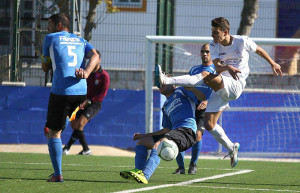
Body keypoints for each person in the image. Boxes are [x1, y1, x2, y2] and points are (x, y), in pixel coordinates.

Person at [155, 17, 282, 168]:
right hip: (222, 85)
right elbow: (218, 66)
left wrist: (273, 63)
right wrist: (228, 67)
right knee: (209, 124)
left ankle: (166, 80)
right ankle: (231, 148)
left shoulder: (242, 41)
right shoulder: (214, 45)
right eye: (212, 32)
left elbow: (259, 50)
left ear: (225, 32)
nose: (213, 35)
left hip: (235, 85)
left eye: (216, 32)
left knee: (205, 76)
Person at [41, 13, 99, 182]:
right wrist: (86, 72)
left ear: (58, 25)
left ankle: (57, 174)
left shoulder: (50, 38)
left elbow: (45, 67)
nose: (47, 28)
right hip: (81, 92)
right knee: (62, 120)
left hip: (61, 91)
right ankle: (60, 123)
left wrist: (49, 61)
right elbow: (95, 55)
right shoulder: (80, 40)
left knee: (53, 132)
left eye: (50, 24)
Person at [120, 84, 200, 184]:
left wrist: (205, 100)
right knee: (142, 142)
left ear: (173, 84)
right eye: (159, 85)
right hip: (174, 133)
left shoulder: (181, 91)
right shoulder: (165, 106)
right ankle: (138, 171)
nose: (160, 86)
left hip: (187, 131)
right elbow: (166, 130)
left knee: (159, 144)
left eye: (164, 83)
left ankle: (145, 176)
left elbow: (198, 95)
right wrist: (144, 135)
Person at [173, 43, 215, 175]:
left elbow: (219, 91)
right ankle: (181, 167)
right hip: (189, 105)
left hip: (204, 109)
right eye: (202, 51)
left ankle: (193, 164)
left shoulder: (216, 70)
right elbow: (187, 85)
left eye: (207, 51)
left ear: (212, 53)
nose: (205, 54)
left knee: (197, 135)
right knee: (179, 135)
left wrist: (207, 100)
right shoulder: (194, 69)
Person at [62, 51, 110, 155]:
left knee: (80, 123)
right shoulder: (86, 74)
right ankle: (86, 149)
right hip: (82, 102)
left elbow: (102, 94)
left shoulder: (104, 76)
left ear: (99, 60)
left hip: (94, 104)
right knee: (74, 124)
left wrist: (89, 101)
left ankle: (67, 147)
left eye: (95, 58)